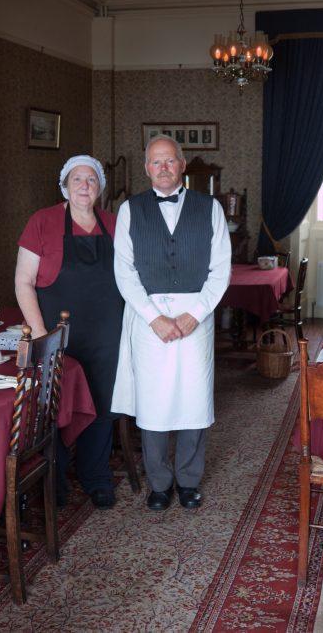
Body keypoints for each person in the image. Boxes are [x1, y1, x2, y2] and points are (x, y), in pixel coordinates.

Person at [112, 135, 231, 510]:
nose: (163, 168)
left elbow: (221, 269)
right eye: (155, 162)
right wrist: (154, 318)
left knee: (194, 398)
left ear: (181, 164)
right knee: (154, 401)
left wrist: (195, 314)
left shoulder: (210, 208)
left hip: (197, 315)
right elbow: (124, 271)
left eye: (169, 161)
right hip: (148, 318)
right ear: (147, 168)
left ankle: (189, 480)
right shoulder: (130, 210)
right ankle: (160, 483)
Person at [14, 155, 124, 509]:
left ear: (99, 188)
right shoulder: (42, 221)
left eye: (91, 180)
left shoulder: (114, 223)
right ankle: (54, 481)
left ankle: (97, 478)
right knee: (53, 407)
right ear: (65, 186)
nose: (84, 186)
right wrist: (41, 334)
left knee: (102, 404)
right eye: (77, 179)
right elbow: (23, 281)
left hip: (107, 332)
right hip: (57, 333)